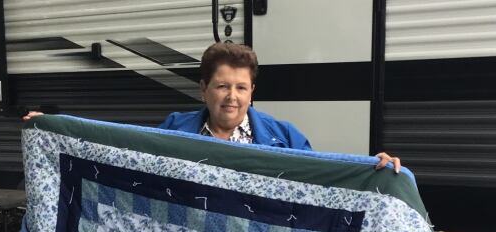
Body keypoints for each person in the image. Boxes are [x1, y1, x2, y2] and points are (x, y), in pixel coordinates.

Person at [23, 42, 401, 172]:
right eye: (222, 86)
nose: (231, 97)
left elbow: (324, 177)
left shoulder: (284, 138)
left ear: (252, 92)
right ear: (204, 90)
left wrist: (373, 167)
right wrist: (55, 128)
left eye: (241, 87)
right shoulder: (176, 126)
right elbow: (123, 148)